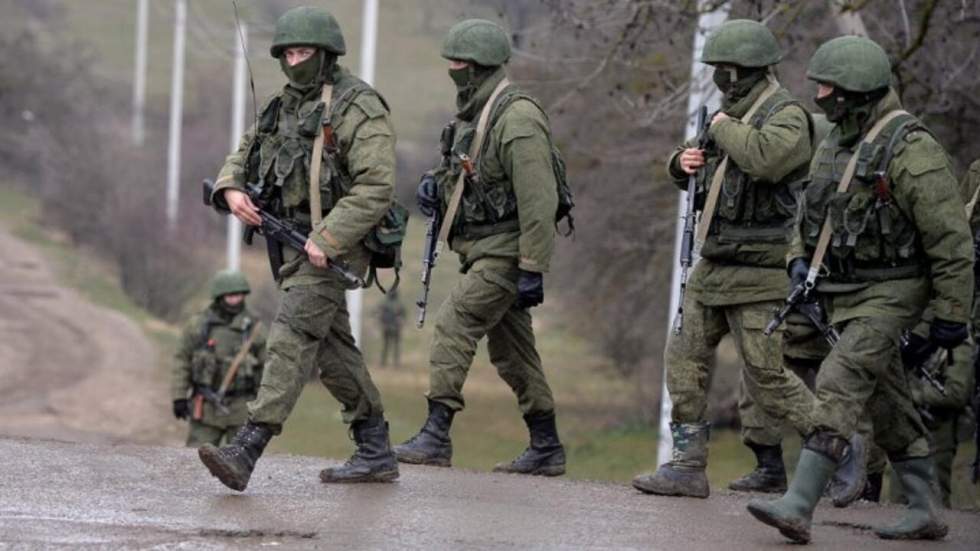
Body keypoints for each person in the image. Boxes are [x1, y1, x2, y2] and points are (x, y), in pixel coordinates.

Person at [747, 36, 972, 543]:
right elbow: (808, 214)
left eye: (827, 86)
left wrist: (951, 314)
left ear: (853, 92)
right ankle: (924, 510)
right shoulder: (838, 141)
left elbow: (950, 239)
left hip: (894, 291)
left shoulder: (913, 150)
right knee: (889, 404)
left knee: (841, 378)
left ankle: (799, 506)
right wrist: (799, 259)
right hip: (843, 292)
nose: (819, 95)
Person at [632, 19, 850, 499]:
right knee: (684, 358)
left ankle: (839, 446)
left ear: (745, 69)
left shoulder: (784, 113)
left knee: (767, 374)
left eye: (724, 69)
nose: (718, 77)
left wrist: (724, 128)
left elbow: (767, 158)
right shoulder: (726, 114)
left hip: (763, 268)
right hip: (715, 263)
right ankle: (687, 465)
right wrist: (680, 162)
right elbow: (703, 157)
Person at [199, 5, 398, 491]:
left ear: (327, 54)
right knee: (333, 353)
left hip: (337, 247)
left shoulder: (357, 107)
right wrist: (231, 189)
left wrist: (327, 238)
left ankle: (249, 446)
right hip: (290, 247)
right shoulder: (280, 106)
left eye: (304, 51)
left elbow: (377, 184)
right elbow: (242, 155)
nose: (294, 61)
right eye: (287, 52)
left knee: (289, 334)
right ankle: (375, 449)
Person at [393, 19, 566, 476]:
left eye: (459, 63)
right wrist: (435, 184)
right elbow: (469, 174)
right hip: (486, 249)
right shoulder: (474, 114)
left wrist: (532, 267)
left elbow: (538, 198)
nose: (452, 70)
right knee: (513, 352)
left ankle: (435, 434)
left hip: (508, 252)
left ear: (480, 66)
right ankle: (546, 444)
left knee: (456, 322)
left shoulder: (518, 119)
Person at [172, 271, 265, 447]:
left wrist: (265, 407)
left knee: (239, 463)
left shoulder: (255, 328)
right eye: (230, 295)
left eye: (238, 295)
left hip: (242, 410)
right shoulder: (198, 325)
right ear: (219, 296)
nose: (235, 300)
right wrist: (179, 397)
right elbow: (182, 361)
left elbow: (267, 368)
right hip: (206, 409)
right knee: (195, 460)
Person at [377, 289, 405, 367]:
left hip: (390, 327)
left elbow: (380, 315)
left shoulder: (386, 304)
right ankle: (393, 363)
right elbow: (403, 317)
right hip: (392, 327)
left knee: (387, 346)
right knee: (392, 346)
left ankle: (386, 363)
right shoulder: (398, 304)